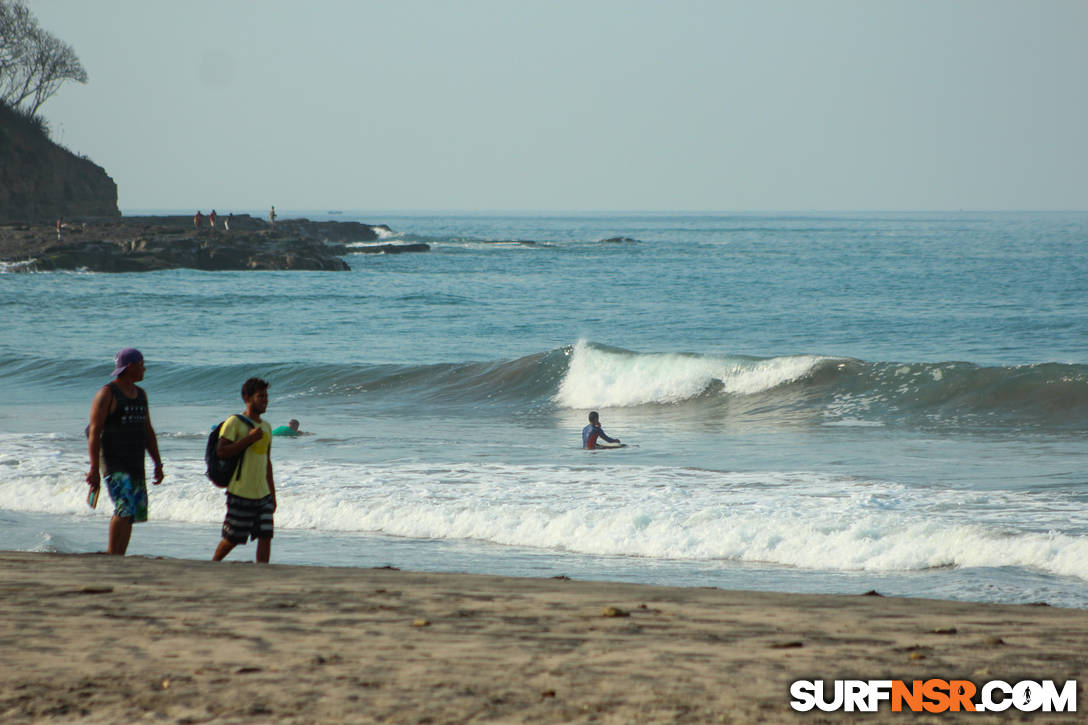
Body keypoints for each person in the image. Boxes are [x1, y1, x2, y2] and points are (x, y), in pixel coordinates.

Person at [86, 348, 164, 555]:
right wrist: (94, 468)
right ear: (130, 367)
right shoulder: (107, 394)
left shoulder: (141, 394)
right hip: (114, 462)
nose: (144, 369)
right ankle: (112, 553)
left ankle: (119, 555)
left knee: (133, 513)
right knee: (124, 507)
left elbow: (148, 431)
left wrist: (157, 463)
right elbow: (94, 432)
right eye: (142, 365)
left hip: (135, 463)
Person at [212, 377, 277, 563]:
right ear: (247, 398)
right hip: (240, 491)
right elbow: (221, 451)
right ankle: (213, 564)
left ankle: (262, 572)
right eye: (260, 396)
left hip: (262, 493)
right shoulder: (234, 422)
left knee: (266, 535)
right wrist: (248, 440)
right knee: (233, 538)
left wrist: (272, 493)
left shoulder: (266, 427)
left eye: (266, 396)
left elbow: (267, 461)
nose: (265, 400)